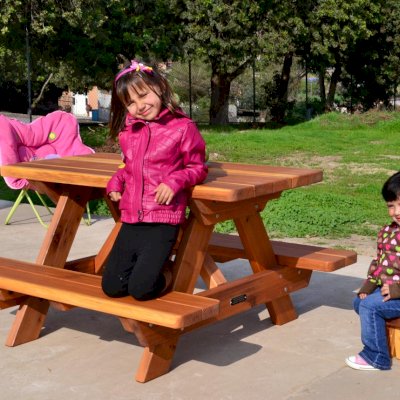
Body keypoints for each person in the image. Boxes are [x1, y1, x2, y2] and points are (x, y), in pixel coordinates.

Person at [101, 60, 208, 301]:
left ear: (159, 87)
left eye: (143, 95)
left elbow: (197, 167)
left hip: (162, 218)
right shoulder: (129, 133)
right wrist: (116, 182)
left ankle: (167, 276)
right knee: (112, 287)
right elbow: (128, 168)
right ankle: (146, 271)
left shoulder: (183, 128)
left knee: (141, 289)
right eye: (130, 103)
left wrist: (175, 181)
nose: (139, 106)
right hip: (132, 217)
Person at [346, 171, 400, 370]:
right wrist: (368, 286)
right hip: (391, 290)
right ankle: (383, 341)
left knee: (371, 307)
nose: (396, 212)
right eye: (391, 206)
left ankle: (376, 357)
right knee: (359, 302)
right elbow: (380, 263)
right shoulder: (387, 232)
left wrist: (396, 290)